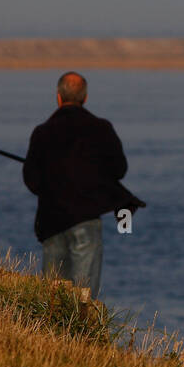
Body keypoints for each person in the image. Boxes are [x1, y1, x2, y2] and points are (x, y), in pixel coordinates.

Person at [23, 72, 143, 299]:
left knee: (53, 297)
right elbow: (119, 170)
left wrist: (54, 186)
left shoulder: (42, 132)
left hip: (51, 221)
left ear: (58, 97)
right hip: (86, 221)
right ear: (85, 98)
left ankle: (51, 334)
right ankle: (79, 333)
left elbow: (31, 180)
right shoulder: (101, 128)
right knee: (83, 297)